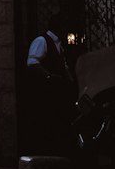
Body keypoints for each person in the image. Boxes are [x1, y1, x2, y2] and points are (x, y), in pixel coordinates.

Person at [24, 26, 76, 157]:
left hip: (58, 90)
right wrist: (48, 76)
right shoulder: (42, 41)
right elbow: (32, 62)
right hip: (47, 91)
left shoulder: (58, 44)